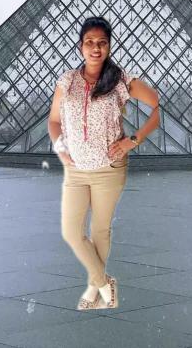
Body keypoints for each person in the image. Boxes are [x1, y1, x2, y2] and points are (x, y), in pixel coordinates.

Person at [48, 16, 160, 310]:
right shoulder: (67, 81)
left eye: (102, 42)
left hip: (109, 169)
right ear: (80, 46)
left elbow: (156, 104)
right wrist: (60, 148)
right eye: (89, 42)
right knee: (71, 232)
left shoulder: (120, 80)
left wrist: (132, 140)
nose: (95, 48)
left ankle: (92, 287)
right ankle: (102, 281)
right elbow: (54, 121)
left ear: (109, 46)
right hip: (75, 170)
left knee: (100, 230)